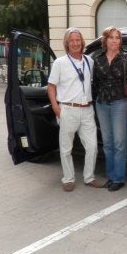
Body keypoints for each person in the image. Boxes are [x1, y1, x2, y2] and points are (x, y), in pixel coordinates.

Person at [47, 27, 101, 191]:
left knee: (92, 146)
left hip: (87, 110)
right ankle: (68, 178)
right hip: (68, 109)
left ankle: (89, 177)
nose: (75, 43)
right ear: (67, 43)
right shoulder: (60, 63)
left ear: (82, 42)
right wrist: (56, 107)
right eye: (72, 41)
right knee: (66, 147)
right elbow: (51, 87)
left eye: (78, 40)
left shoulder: (89, 61)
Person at [92, 26, 127, 192]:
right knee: (107, 143)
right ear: (105, 40)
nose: (115, 40)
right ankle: (111, 176)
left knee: (119, 142)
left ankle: (119, 178)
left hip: (120, 102)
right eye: (111, 37)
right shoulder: (97, 59)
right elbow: (94, 83)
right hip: (102, 103)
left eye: (118, 38)